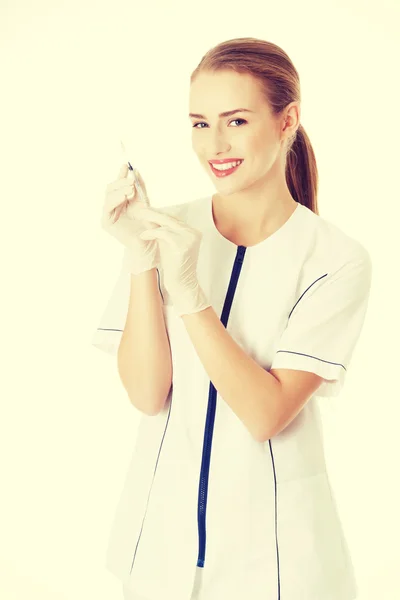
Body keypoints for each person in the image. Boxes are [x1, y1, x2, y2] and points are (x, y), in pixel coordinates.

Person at [92, 37, 372, 600]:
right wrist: (143, 260)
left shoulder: (335, 259)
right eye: (199, 124)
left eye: (236, 121)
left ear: (287, 118)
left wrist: (192, 295)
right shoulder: (162, 229)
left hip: (274, 560)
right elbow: (148, 395)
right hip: (159, 550)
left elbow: (266, 413)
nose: (214, 145)